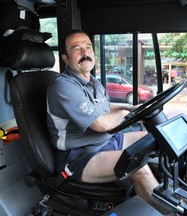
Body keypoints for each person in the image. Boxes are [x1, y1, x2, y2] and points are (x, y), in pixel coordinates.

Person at [46, 29, 173, 215]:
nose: (84, 53)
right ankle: (174, 213)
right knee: (138, 167)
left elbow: (103, 109)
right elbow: (101, 124)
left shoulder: (93, 83)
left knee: (160, 136)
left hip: (105, 142)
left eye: (88, 47)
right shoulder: (62, 86)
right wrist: (123, 111)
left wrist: (130, 109)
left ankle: (177, 191)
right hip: (78, 157)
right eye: (76, 49)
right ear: (65, 58)